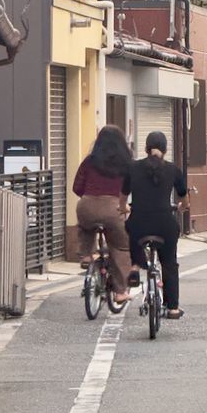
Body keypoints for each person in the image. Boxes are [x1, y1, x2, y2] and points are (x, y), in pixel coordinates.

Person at [120, 131, 190, 319]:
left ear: (146, 148)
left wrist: (123, 208)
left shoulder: (132, 168)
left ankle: (135, 266)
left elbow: (123, 195)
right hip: (164, 224)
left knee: (131, 229)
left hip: (139, 222)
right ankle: (173, 308)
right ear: (166, 150)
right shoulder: (173, 170)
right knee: (169, 263)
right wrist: (183, 207)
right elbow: (184, 197)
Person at [73, 125, 133, 303]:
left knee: (85, 227)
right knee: (122, 247)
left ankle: (85, 255)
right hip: (114, 209)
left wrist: (90, 196)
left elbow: (77, 187)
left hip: (87, 205)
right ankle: (120, 291)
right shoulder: (127, 163)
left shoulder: (90, 161)